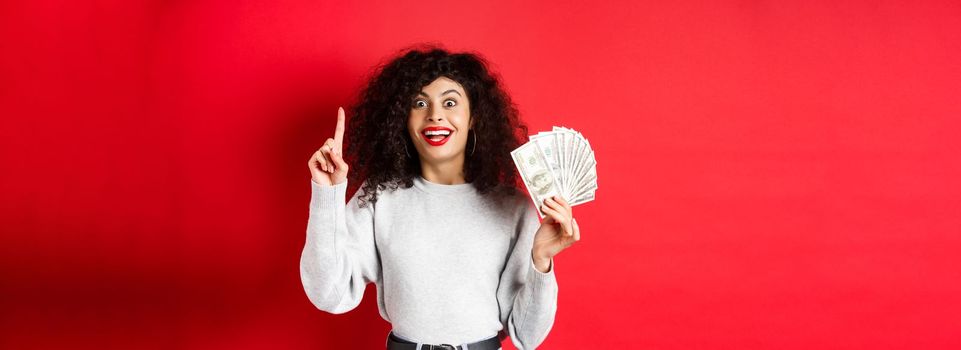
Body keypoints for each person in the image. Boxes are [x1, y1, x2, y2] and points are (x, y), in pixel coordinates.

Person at [300, 45, 582, 350]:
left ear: (474, 117)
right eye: (419, 103)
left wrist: (541, 262)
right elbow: (328, 293)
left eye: (450, 103)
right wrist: (327, 194)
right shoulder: (380, 198)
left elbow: (527, 336)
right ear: (403, 120)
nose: (435, 115)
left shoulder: (513, 208)